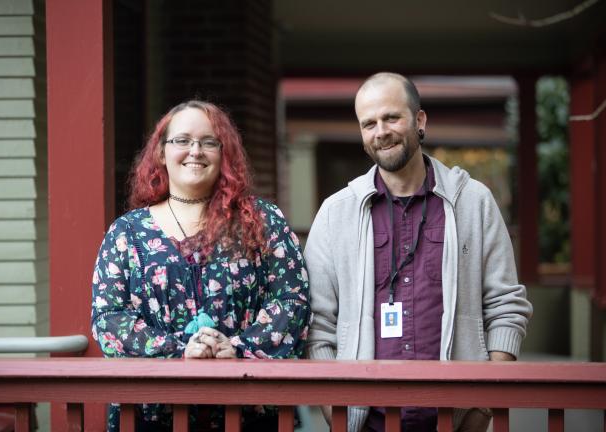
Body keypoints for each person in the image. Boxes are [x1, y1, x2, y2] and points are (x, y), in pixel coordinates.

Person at [304, 72, 533, 432]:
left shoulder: (474, 203)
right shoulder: (336, 214)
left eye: (391, 117)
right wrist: (335, 408)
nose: (381, 131)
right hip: (368, 423)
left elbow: (506, 306)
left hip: (455, 420)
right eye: (369, 123)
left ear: (419, 120)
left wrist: (485, 405)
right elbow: (318, 324)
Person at [91, 100, 311, 431]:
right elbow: (108, 320)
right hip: (152, 416)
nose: (195, 150)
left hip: (248, 411)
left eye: (209, 141)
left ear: (225, 153)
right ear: (161, 153)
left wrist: (236, 348)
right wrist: (180, 350)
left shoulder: (264, 222)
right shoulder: (127, 233)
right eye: (182, 140)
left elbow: (293, 303)